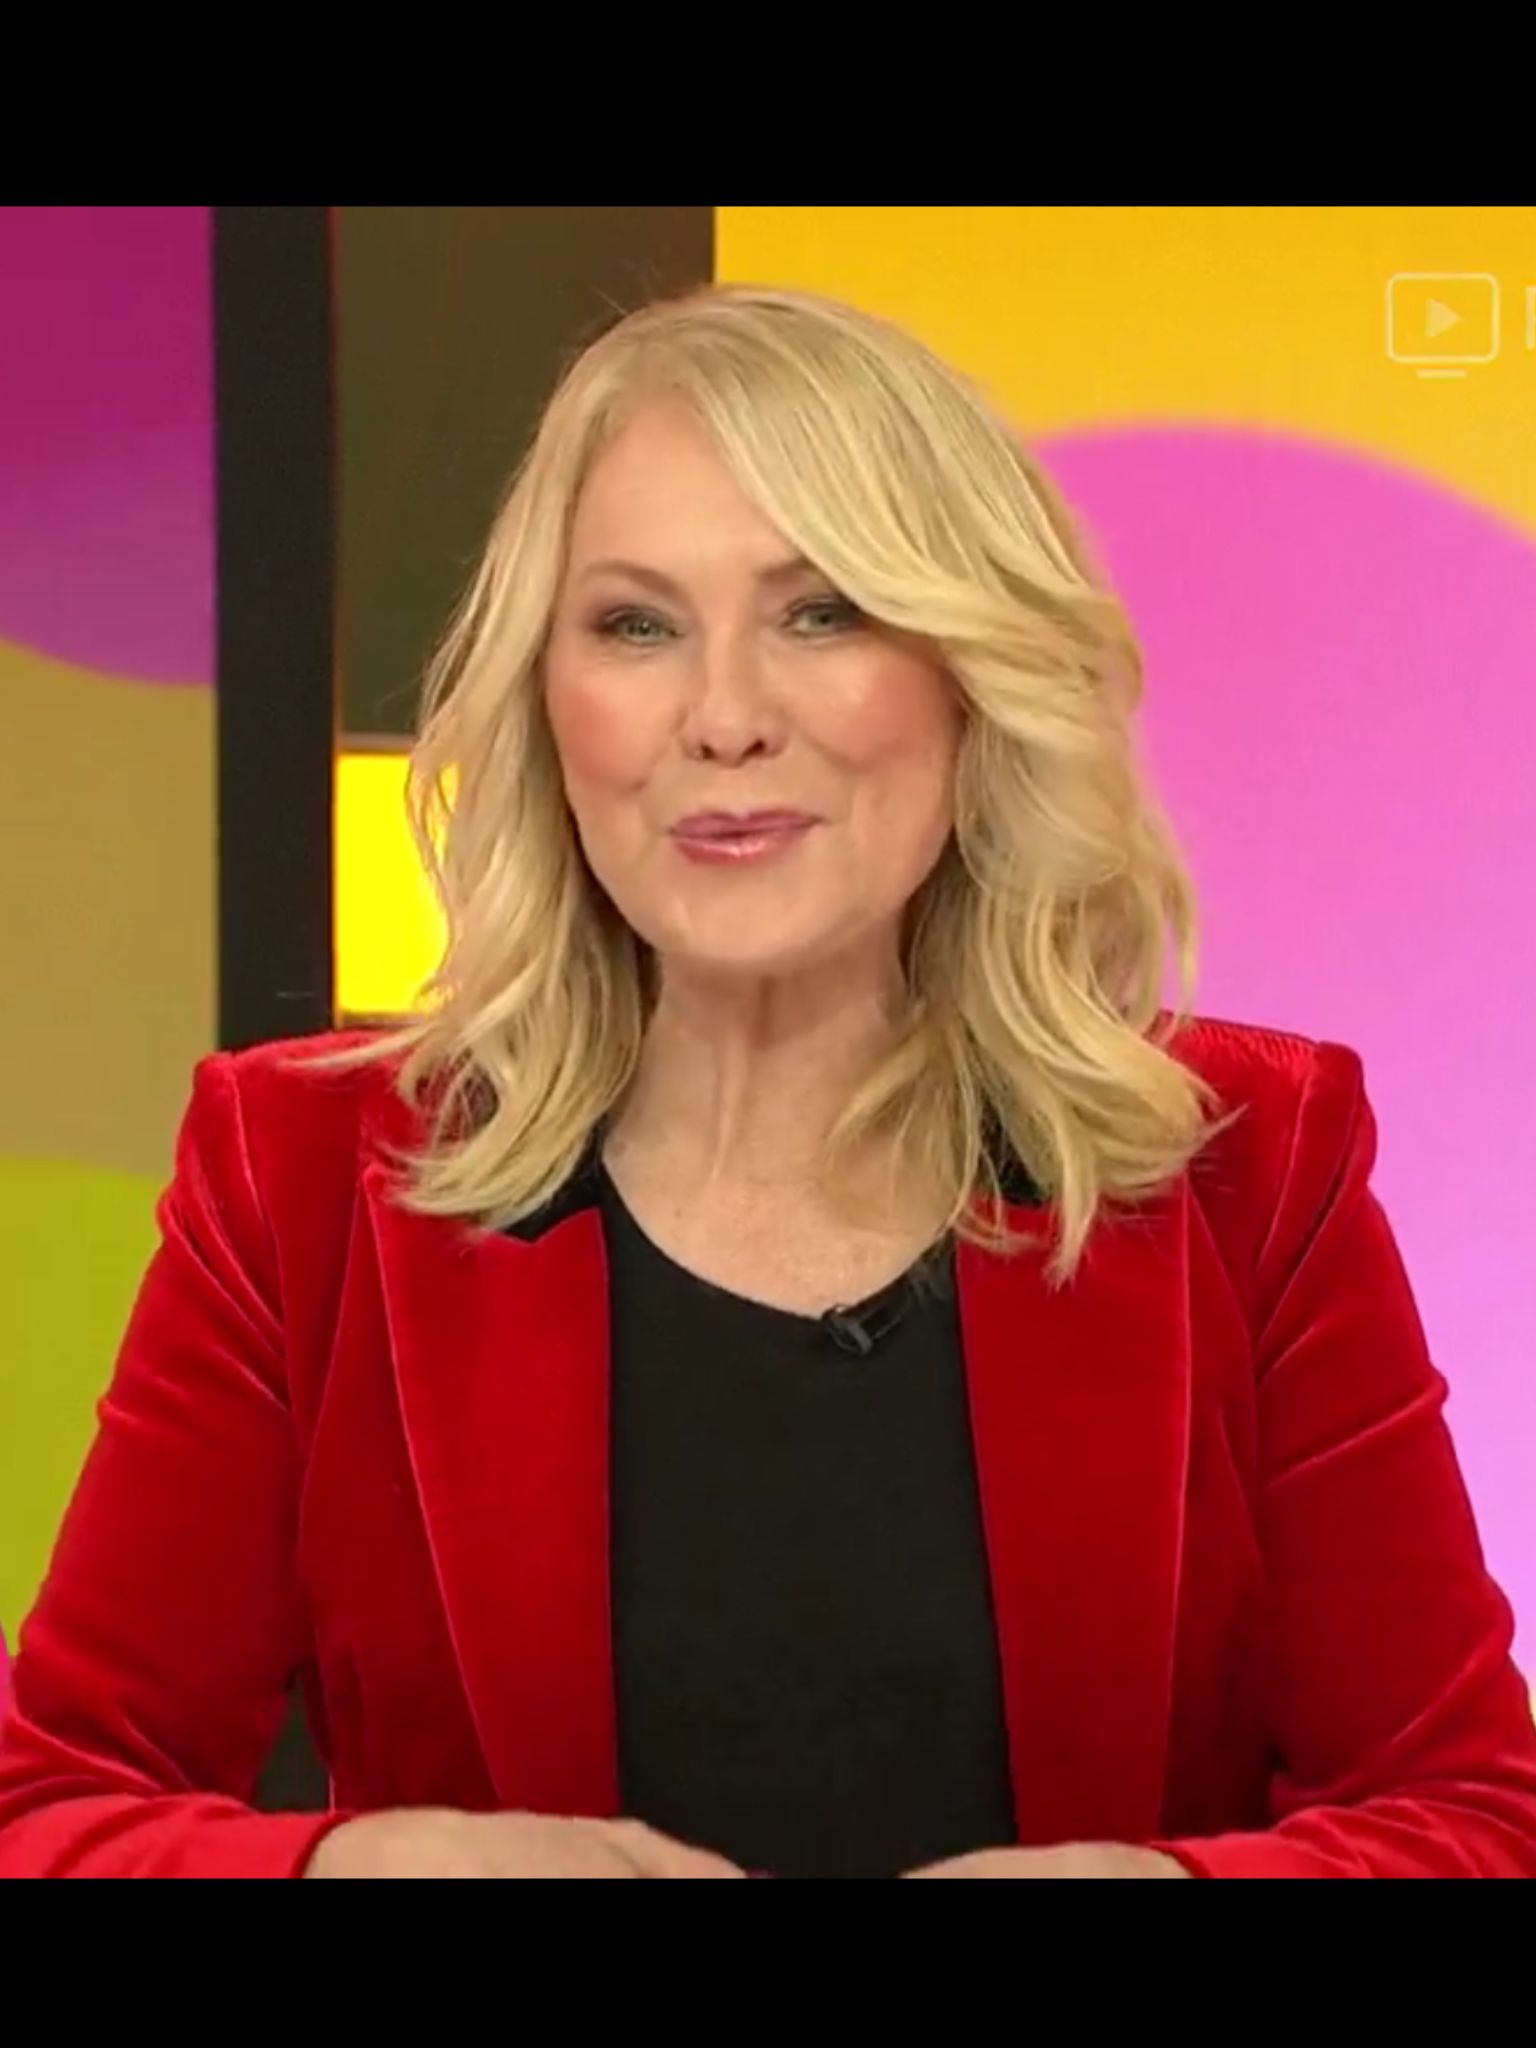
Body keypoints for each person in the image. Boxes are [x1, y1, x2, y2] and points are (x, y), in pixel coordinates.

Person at [2, 284, 1534, 1880]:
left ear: (970, 672)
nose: (724, 719)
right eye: (636, 626)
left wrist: (1157, 1885)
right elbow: (50, 1810)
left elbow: (1469, 1821)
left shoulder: (1248, 1171)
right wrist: (369, 1870)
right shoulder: (303, 1180)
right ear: (546, 699)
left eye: (822, 614)